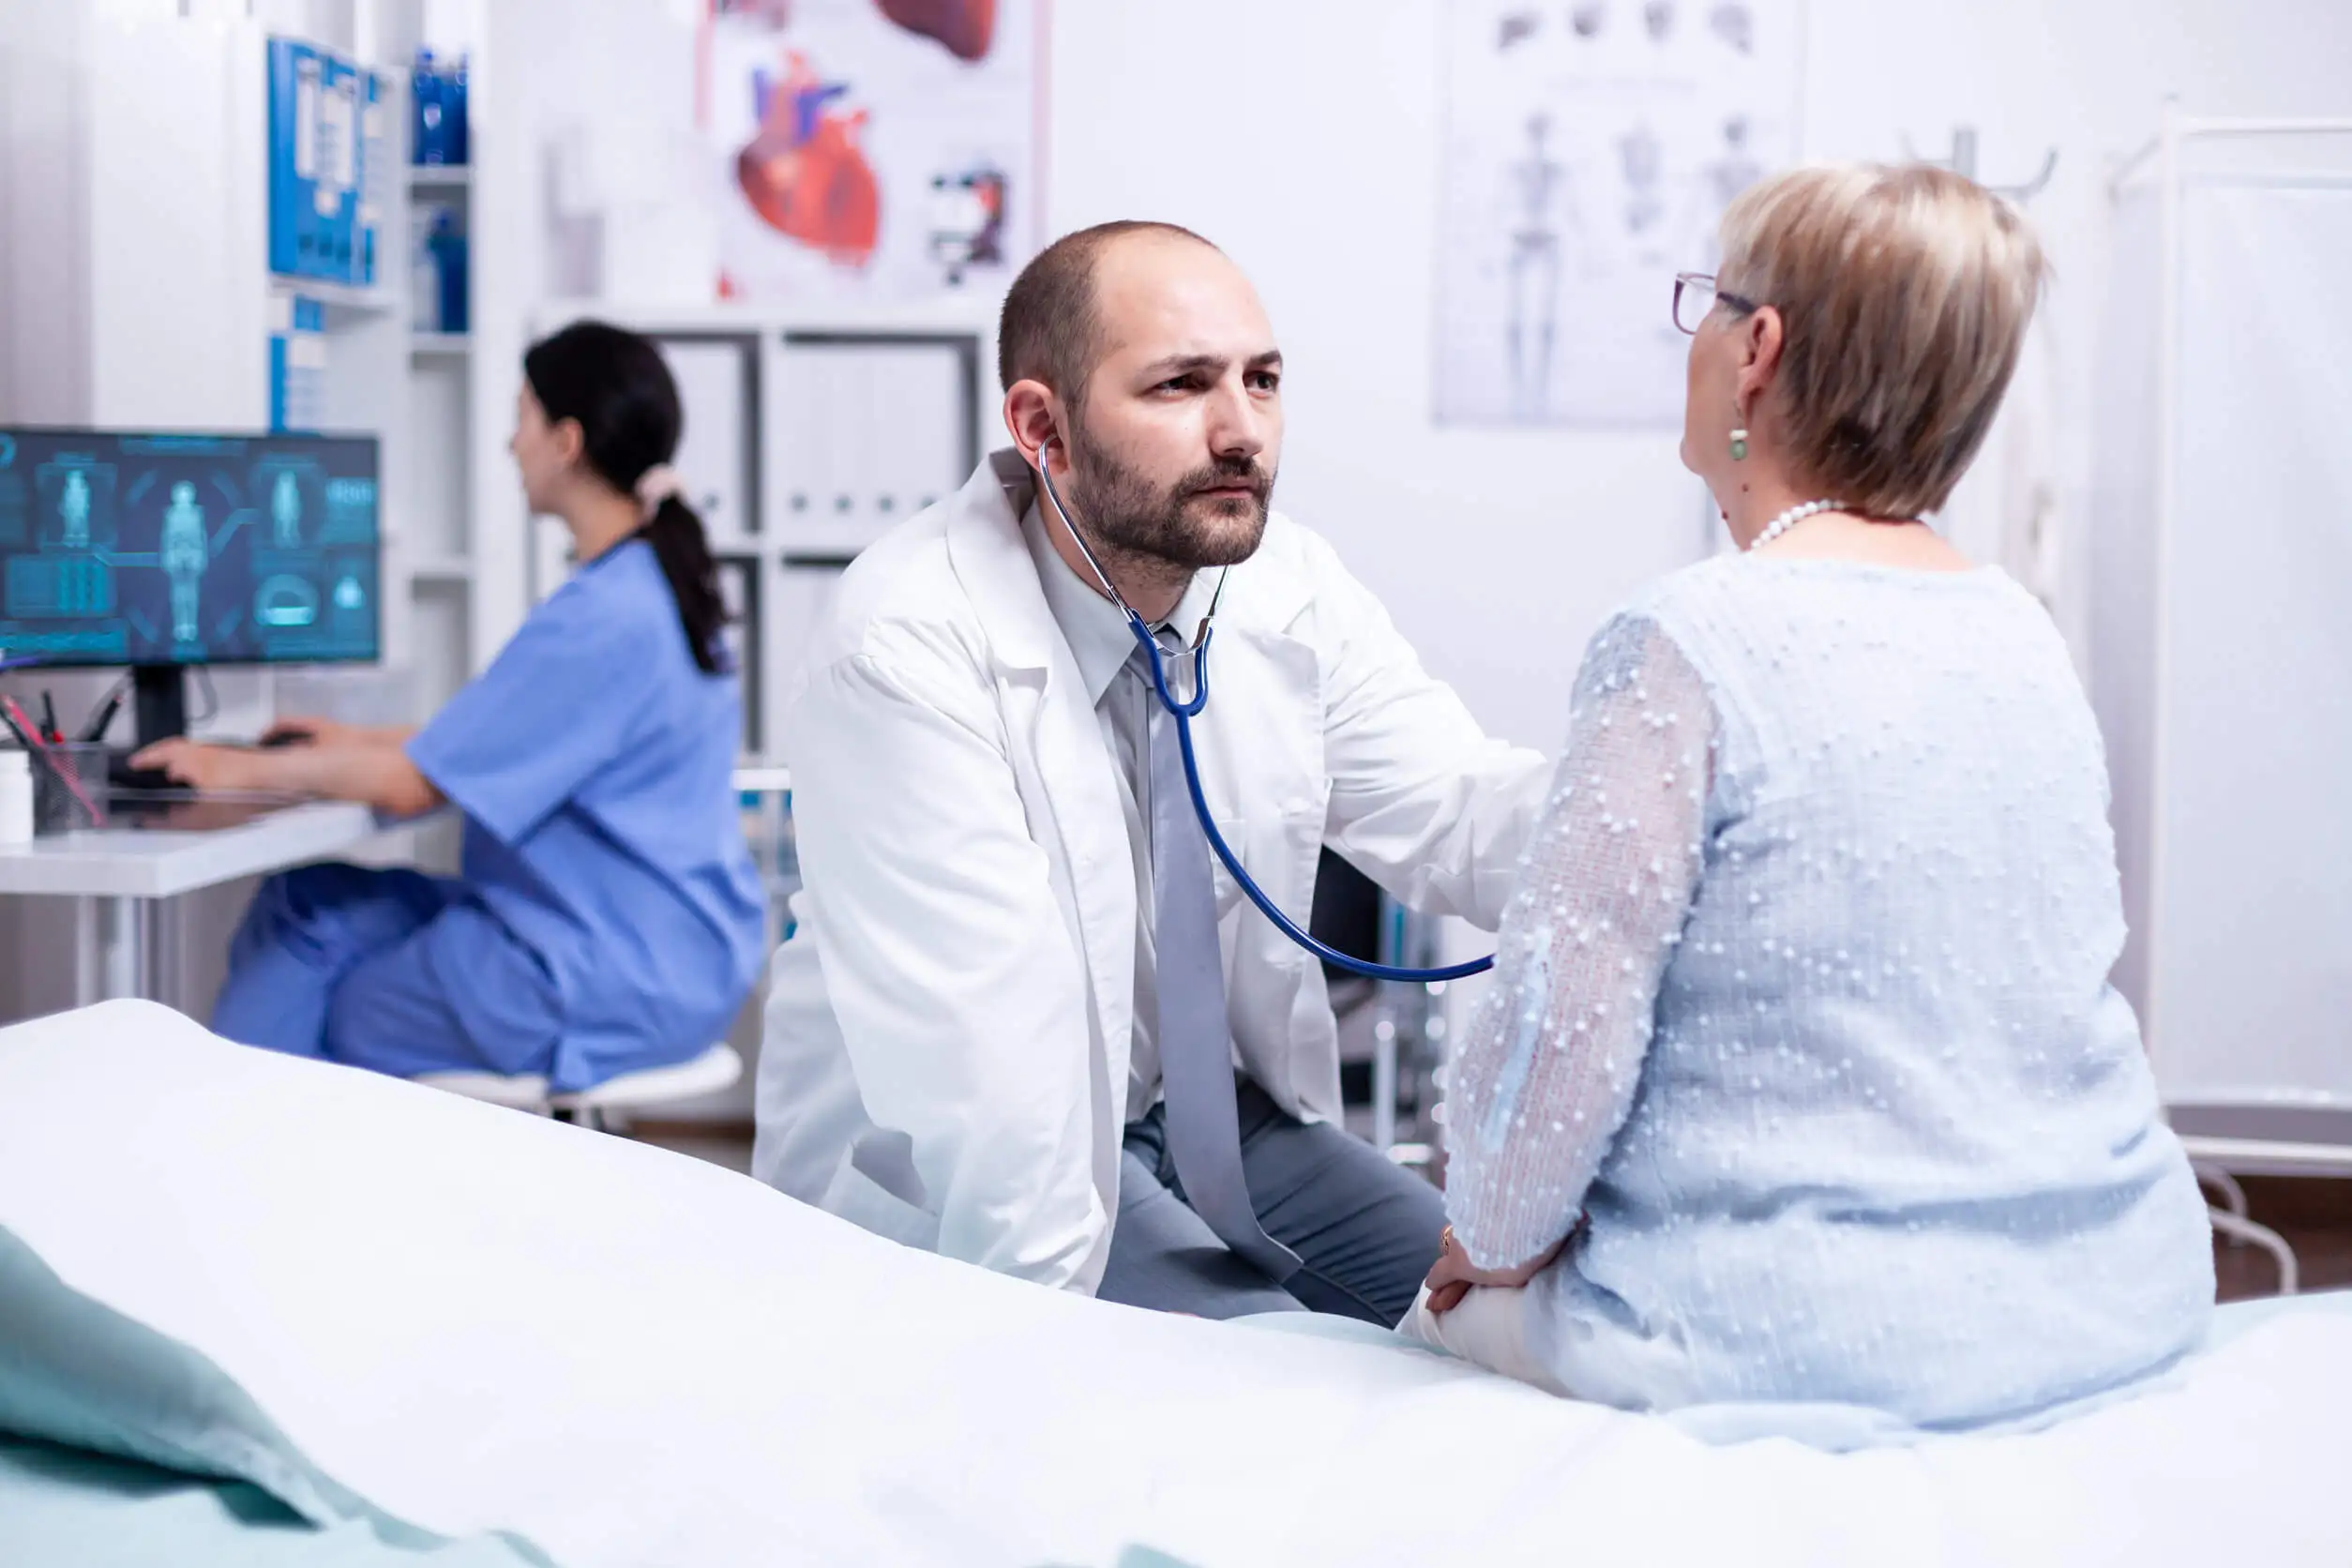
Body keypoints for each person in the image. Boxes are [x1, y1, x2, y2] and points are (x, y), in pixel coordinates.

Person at [1408, 164, 2214, 1435]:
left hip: (1790, 1329)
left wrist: (1484, 1258)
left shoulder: (1685, 636)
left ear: (1758, 352)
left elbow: (1556, 1048)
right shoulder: (2020, 631)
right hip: (2113, 1287)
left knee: (1426, 1328)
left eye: (1704, 307)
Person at [755, 221, 1550, 1324]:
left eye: (1261, 381)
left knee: (1525, 1323)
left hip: (1224, 1125)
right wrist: (1082, 1377)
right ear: (1045, 428)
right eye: (1182, 385)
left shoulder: (1289, 588)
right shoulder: (905, 644)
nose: (1242, 432)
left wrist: (1651, 807)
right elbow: (1000, 1110)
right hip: (1011, 1154)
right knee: (1277, 1380)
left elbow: (1456, 810)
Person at [133, 321, 766, 1093]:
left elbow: (413, 785)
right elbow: (499, 737)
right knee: (306, 900)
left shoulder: (603, 616)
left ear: (566, 442)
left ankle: (229, 1155)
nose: (510, 445)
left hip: (608, 970)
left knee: (337, 1002)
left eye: (522, 419)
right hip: (674, 949)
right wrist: (350, 740)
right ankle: (233, 1139)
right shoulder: (651, 586)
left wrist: (234, 767)